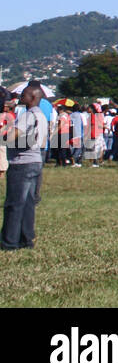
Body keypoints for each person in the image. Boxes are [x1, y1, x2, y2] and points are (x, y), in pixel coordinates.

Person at [2, 83, 49, 250]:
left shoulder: (28, 116)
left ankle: (9, 242)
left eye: (24, 95)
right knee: (28, 204)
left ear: (33, 97)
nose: (21, 98)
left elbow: (12, 136)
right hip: (36, 161)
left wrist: (5, 136)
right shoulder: (42, 116)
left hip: (21, 163)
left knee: (14, 204)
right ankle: (26, 238)